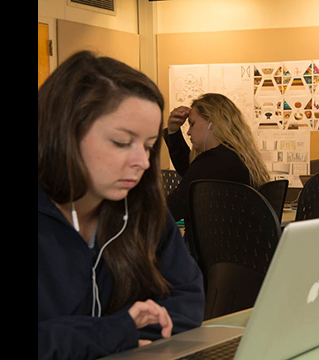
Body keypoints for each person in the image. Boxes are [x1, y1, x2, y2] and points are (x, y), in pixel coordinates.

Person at [38, 51, 205, 359]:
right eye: (120, 142)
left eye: (149, 146)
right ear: (64, 133)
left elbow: (186, 304)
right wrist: (115, 332)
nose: (142, 162)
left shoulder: (143, 209)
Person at [163, 93, 271, 221]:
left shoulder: (212, 162)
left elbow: (171, 210)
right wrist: (173, 132)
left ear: (212, 123)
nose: (189, 132)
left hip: (210, 241)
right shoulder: (236, 157)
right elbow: (189, 171)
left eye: (192, 124)